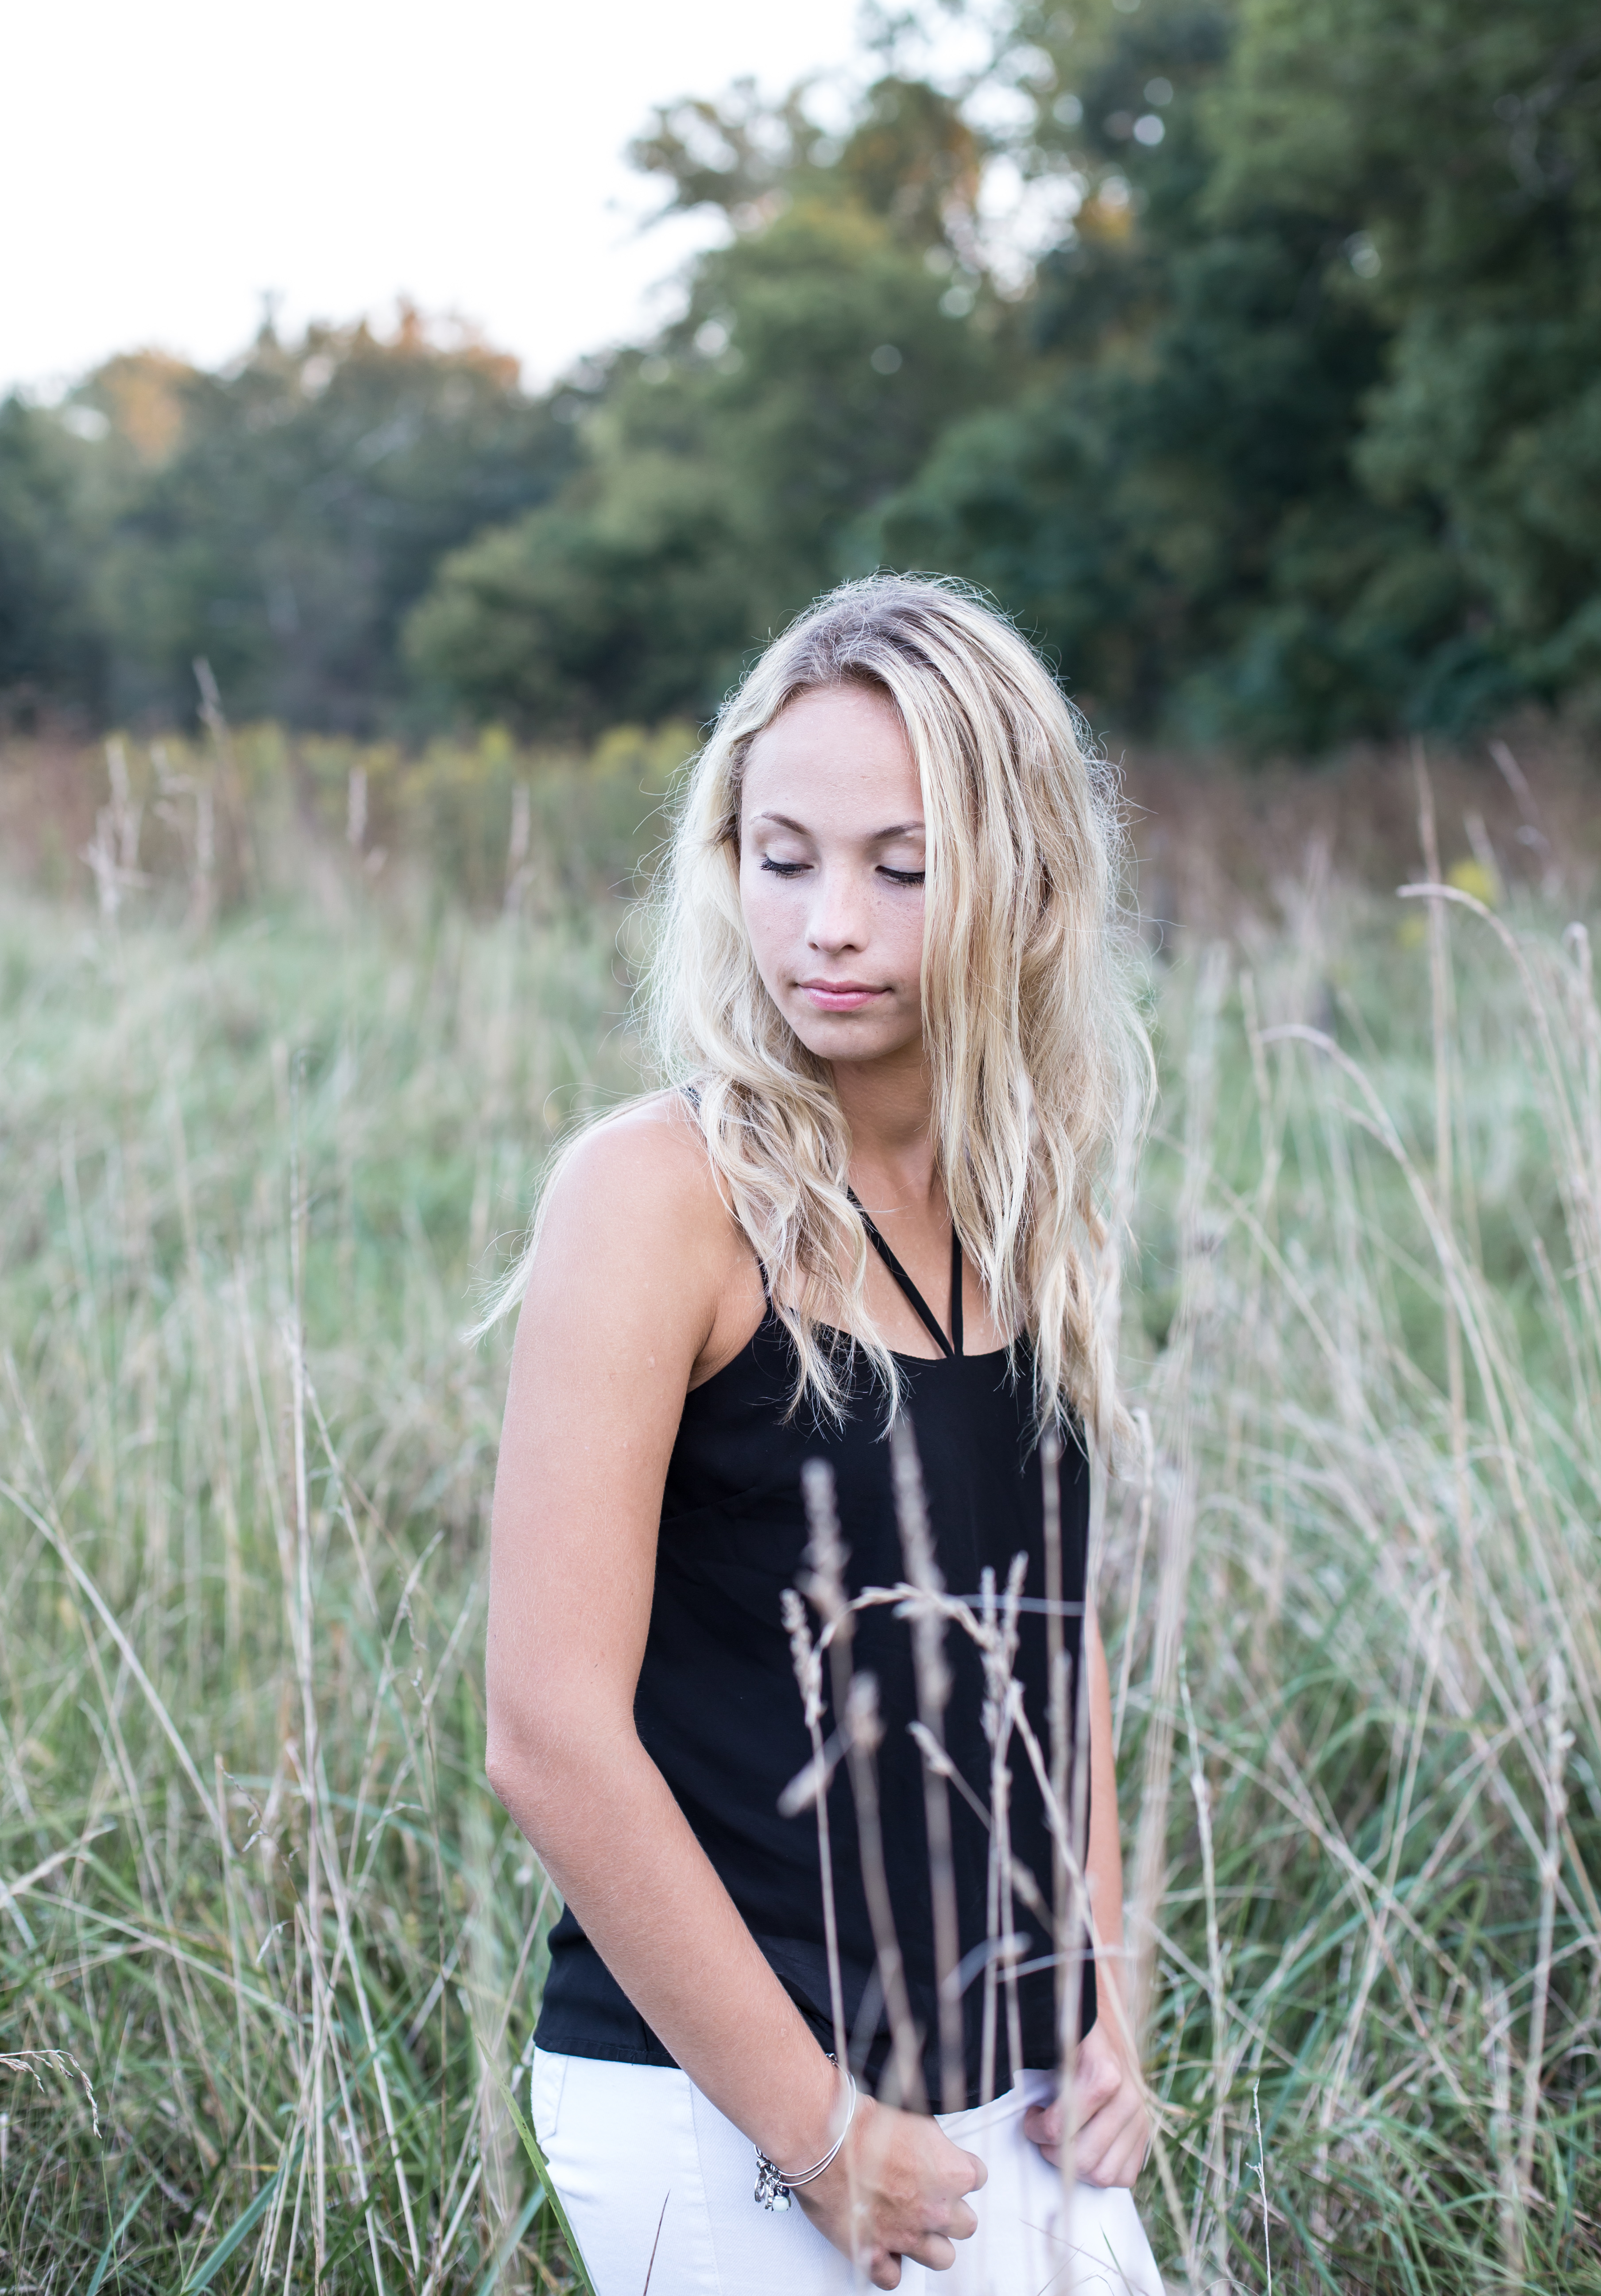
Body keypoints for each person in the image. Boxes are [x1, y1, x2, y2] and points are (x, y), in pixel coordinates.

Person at [485, 576, 1163, 2293]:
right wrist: (817, 2132)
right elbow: (548, 1733)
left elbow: (1048, 1645)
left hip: (1006, 2089)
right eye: (782, 859)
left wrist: (1100, 1996)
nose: (828, 927)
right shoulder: (657, 1196)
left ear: (1021, 882)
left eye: (901, 868)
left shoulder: (1027, 1202)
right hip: (723, 2104)